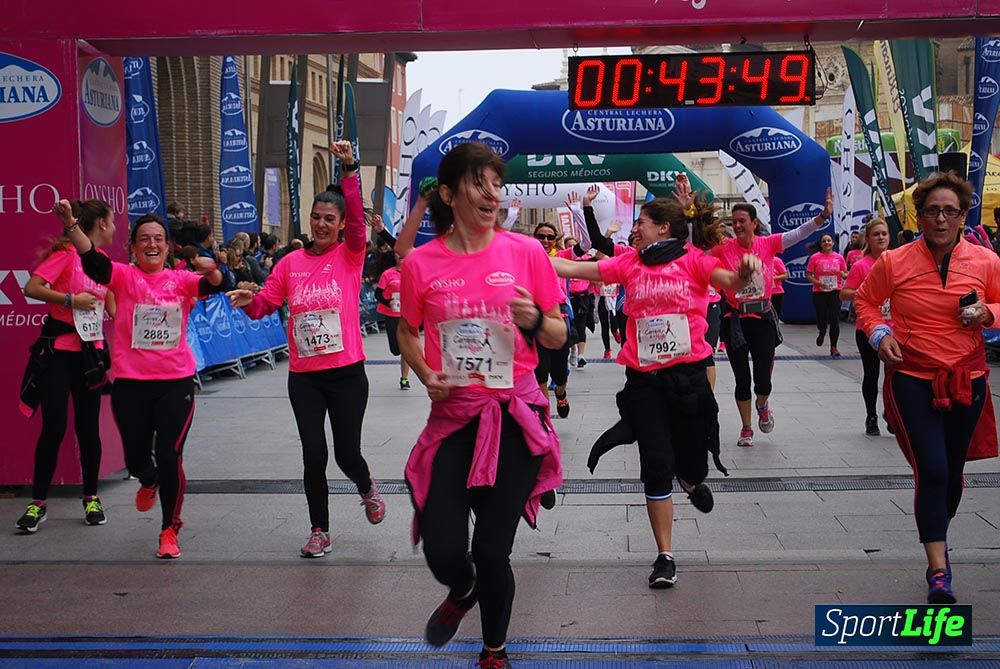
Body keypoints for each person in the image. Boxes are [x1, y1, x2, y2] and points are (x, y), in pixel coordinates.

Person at [396, 142, 565, 669]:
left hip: (514, 419)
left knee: (493, 549)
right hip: (454, 421)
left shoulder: (526, 253)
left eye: (496, 183)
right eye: (478, 183)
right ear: (448, 193)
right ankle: (462, 588)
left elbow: (560, 334)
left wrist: (535, 320)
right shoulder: (421, 264)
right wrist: (426, 374)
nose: (491, 194)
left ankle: (494, 651)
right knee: (443, 548)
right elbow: (406, 330)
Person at [552, 195, 760, 590]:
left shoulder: (694, 260)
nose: (634, 228)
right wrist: (527, 258)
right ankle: (665, 555)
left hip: (689, 378)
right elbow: (580, 267)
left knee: (691, 462)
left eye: (642, 222)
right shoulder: (630, 262)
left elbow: (732, 283)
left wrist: (746, 271)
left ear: (663, 227)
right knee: (655, 463)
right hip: (644, 382)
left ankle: (690, 477)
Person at [228, 141, 386, 558]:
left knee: (347, 455)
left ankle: (367, 486)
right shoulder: (289, 263)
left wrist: (350, 166)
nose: (319, 223)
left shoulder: (351, 254)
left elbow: (356, 223)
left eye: (328, 218)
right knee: (314, 454)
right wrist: (250, 303)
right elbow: (267, 304)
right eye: (315, 217)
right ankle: (320, 529)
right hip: (305, 377)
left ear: (340, 224)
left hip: (347, 373)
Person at [855, 171, 1000, 605]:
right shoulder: (894, 262)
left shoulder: (986, 261)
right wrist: (880, 335)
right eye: (932, 210)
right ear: (918, 216)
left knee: (952, 474)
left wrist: (987, 315)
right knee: (932, 469)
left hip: (966, 379)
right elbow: (864, 301)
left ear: (963, 216)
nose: (940, 219)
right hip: (913, 379)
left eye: (949, 211)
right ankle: (939, 569)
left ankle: (937, 529)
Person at [56, 203, 225, 559]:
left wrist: (214, 273)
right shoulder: (123, 276)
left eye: (159, 239)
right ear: (133, 247)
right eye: (144, 239)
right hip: (131, 384)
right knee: (136, 460)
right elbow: (94, 264)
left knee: (169, 455)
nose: (152, 244)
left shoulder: (181, 280)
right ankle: (147, 481)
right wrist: (72, 224)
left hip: (175, 382)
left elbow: (214, 286)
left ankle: (169, 529)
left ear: (168, 247)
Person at [16, 200, 117, 533]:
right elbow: (31, 288)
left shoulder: (103, 264)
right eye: (111, 221)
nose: (115, 227)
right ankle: (37, 503)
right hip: (58, 352)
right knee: (54, 426)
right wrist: (71, 300)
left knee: (88, 429)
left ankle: (91, 498)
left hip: (90, 354)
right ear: (100, 224)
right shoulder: (65, 255)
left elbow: (118, 309)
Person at [714, 191, 832, 447]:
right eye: (733, 221)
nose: (737, 225)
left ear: (754, 223)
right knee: (741, 379)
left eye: (742, 220)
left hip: (763, 317)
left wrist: (822, 217)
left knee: (763, 380)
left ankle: (762, 404)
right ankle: (746, 428)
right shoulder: (724, 249)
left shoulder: (767, 244)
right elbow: (695, 253)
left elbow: (797, 234)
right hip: (735, 319)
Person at [840, 217, 893, 436]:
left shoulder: (897, 261)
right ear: (868, 240)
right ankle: (871, 416)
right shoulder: (862, 266)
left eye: (884, 234)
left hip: (895, 328)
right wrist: (866, 292)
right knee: (871, 374)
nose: (881, 237)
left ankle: (891, 413)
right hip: (868, 329)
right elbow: (844, 293)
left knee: (895, 375)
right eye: (876, 234)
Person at [531, 221, 575, 418]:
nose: (545, 240)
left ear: (556, 240)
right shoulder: (526, 257)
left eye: (550, 237)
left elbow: (588, 244)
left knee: (559, 372)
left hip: (559, 318)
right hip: (535, 320)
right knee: (540, 372)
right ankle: (544, 416)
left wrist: (579, 210)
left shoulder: (561, 256)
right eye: (541, 236)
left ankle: (560, 392)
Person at [806, 233, 848, 357]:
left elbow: (844, 273)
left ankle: (834, 347)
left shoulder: (839, 258)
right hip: (819, 292)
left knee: (834, 319)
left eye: (829, 241)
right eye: (824, 241)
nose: (827, 243)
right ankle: (822, 330)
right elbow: (808, 275)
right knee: (821, 316)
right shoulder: (815, 258)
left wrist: (846, 274)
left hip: (835, 290)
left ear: (833, 243)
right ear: (821, 244)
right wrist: (818, 282)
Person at [375, 251, 411, 389]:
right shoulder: (387, 274)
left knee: (405, 349)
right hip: (391, 315)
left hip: (406, 316)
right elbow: (378, 294)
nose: (401, 255)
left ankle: (404, 379)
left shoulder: (412, 272)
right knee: (396, 350)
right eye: (398, 253)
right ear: (395, 256)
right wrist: (387, 301)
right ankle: (399, 350)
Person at [771, 255, 788, 321]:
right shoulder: (758, 260)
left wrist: (772, 278)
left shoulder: (776, 260)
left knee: (775, 316)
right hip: (762, 293)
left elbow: (785, 275)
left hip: (776, 292)